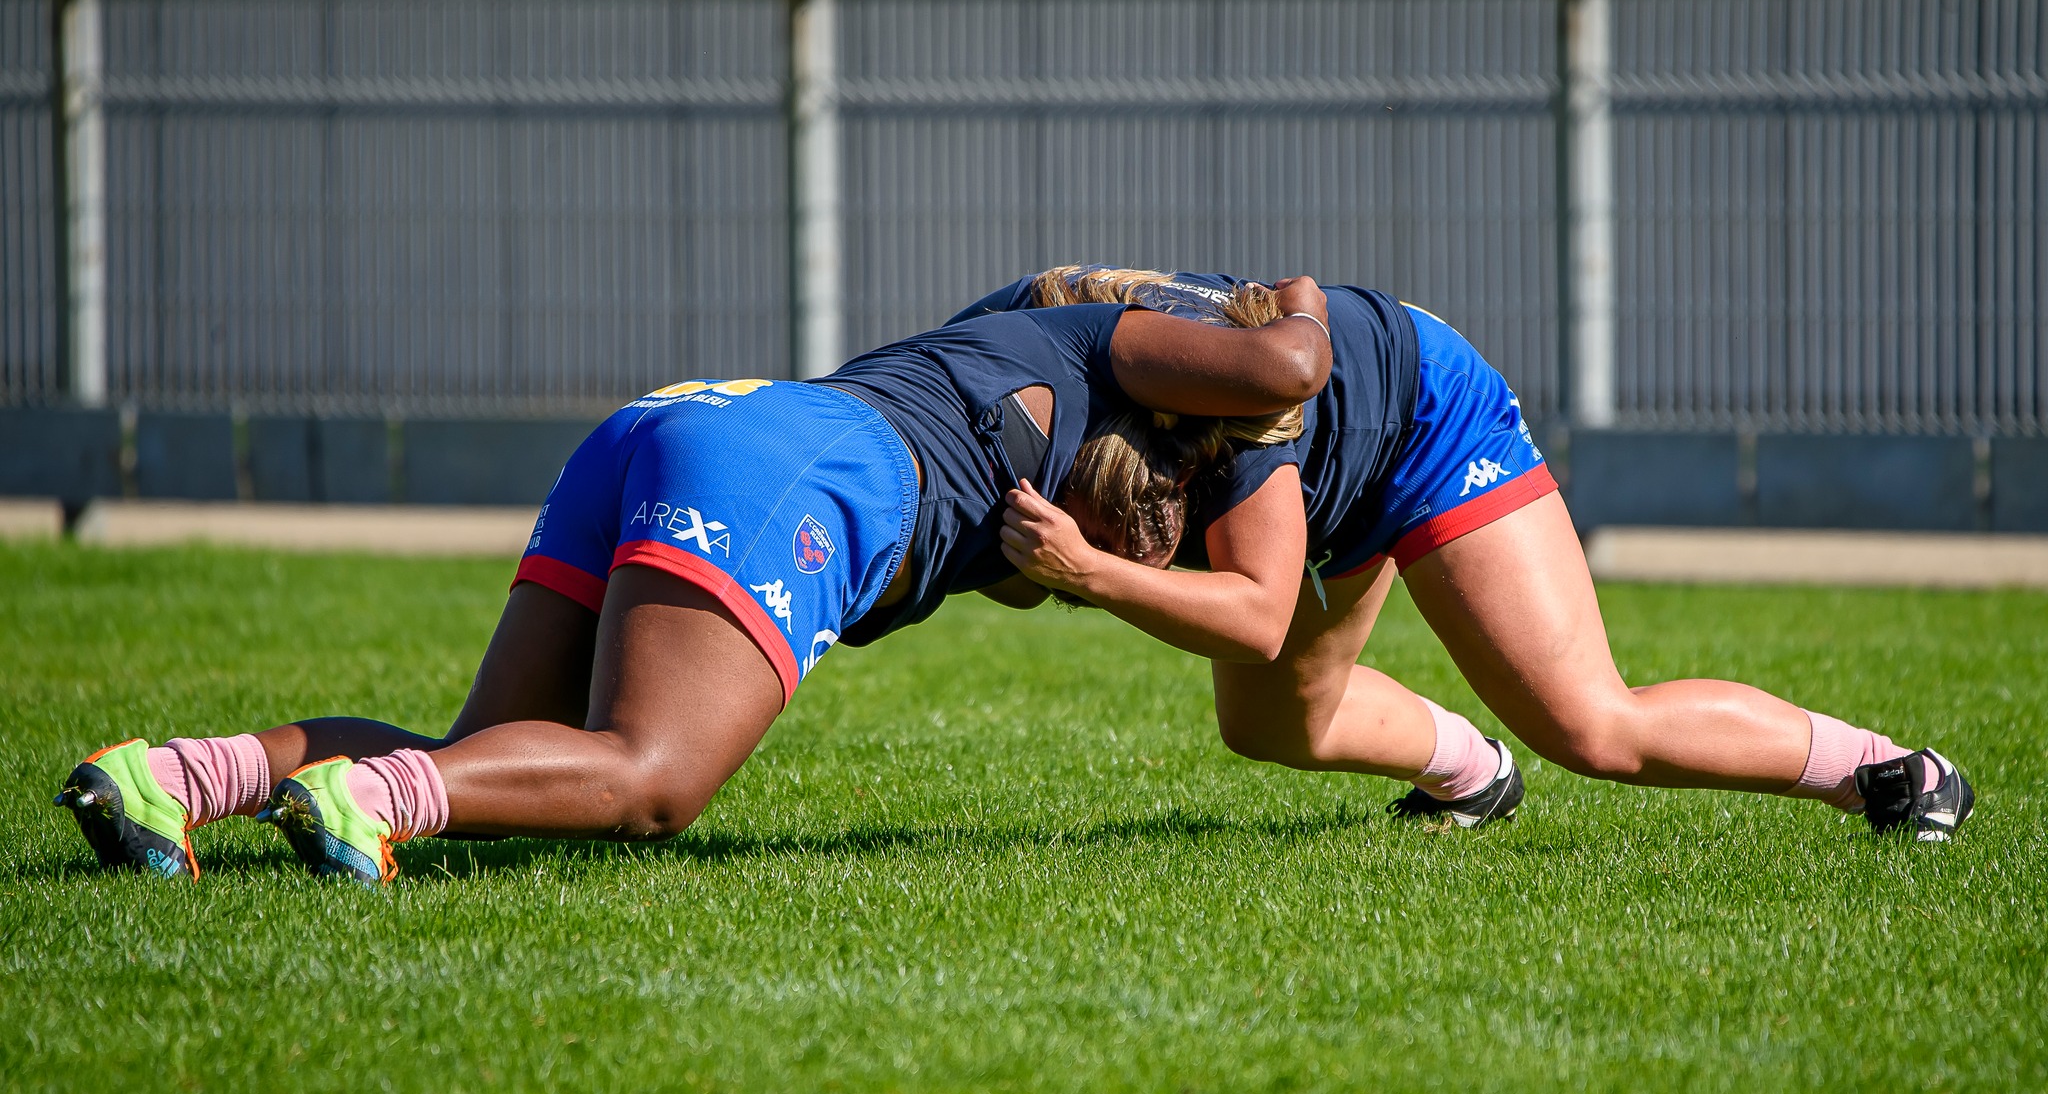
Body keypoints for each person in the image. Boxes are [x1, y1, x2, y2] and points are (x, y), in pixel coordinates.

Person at [54, 284, 1336, 884]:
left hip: (689, 418)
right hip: (799, 461)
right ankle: (362, 800)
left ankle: (176, 777)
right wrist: (1306, 306)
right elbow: (1282, 369)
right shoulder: (1089, 341)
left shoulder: (1001, 367)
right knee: (651, 777)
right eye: (1170, 494)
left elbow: (1038, 556)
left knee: (496, 757)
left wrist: (1087, 566)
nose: (1165, 511)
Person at [968, 266, 1975, 843]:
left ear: (1178, 479)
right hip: (1338, 465)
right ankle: (1472, 773)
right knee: (1279, 726)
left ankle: (1892, 773)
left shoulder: (1236, 453)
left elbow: (1255, 615)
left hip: (1428, 421)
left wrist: (1093, 570)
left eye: (1158, 549)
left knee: (1591, 727)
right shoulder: (1024, 359)